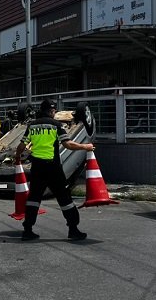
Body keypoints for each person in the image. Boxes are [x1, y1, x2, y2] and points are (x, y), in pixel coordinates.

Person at [14, 98, 95, 241]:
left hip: (37, 168)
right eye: (54, 110)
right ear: (51, 111)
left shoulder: (32, 125)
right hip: (53, 168)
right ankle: (73, 229)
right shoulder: (56, 125)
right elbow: (68, 144)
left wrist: (17, 157)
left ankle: (28, 230)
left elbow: (21, 145)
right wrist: (85, 146)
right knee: (64, 198)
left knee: (34, 198)